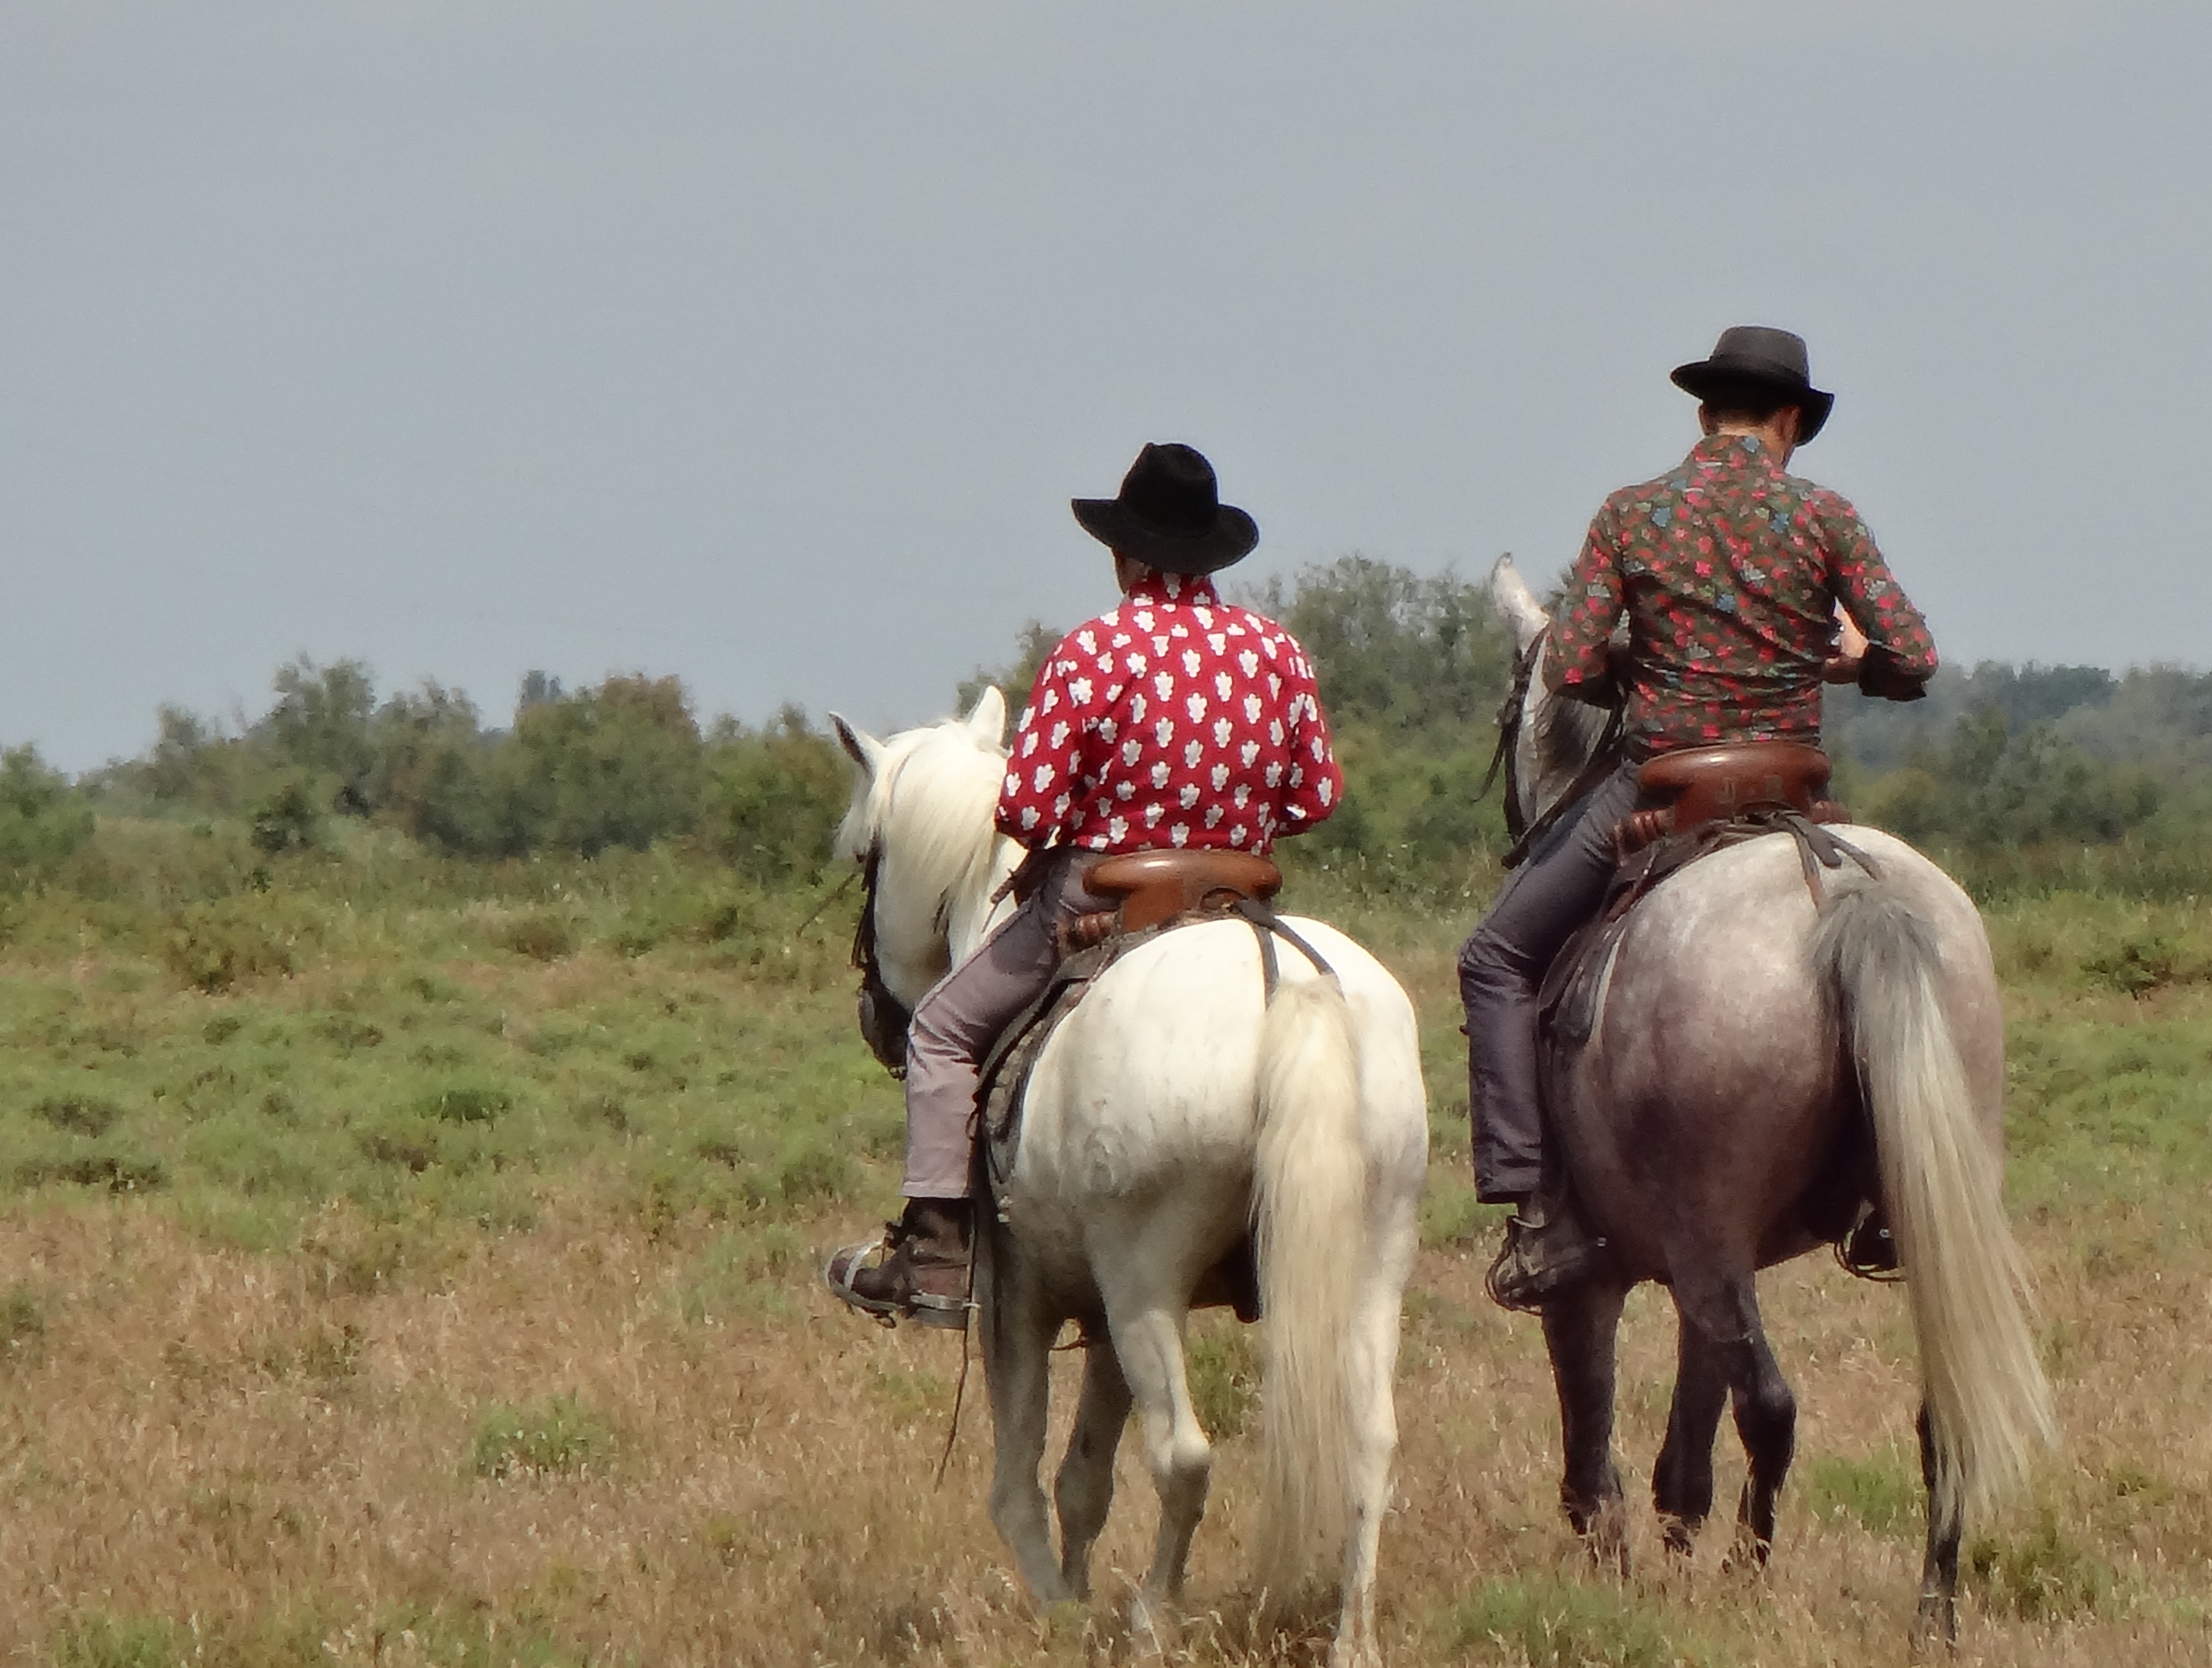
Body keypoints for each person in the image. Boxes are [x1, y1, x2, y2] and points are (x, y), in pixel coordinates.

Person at [1457, 326, 1940, 1311]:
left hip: (1663, 785)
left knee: (1496, 959)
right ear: (1791, 422)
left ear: (1703, 413)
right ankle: (1887, 1186)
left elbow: (1573, 667)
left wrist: (1656, 657)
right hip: (1792, 791)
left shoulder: (1634, 514)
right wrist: (1848, 665)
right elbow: (1913, 654)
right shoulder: (1825, 515)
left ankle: (1535, 1203)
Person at [825, 442, 1344, 1327]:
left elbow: (1025, 806)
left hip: (1103, 900)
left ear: (1122, 552)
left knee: (945, 1033)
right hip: (1237, 902)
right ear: (1212, 553)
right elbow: (1316, 795)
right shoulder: (1276, 650)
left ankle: (939, 1258)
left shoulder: (1093, 649)